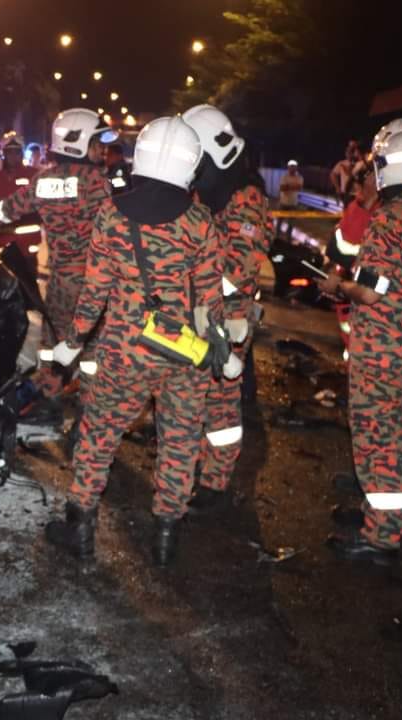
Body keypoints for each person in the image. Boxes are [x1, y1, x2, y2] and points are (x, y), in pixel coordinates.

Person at [44, 116, 240, 565]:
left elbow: (94, 293)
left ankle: (80, 528)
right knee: (180, 443)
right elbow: (210, 300)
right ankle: (166, 538)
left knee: (98, 435)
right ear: (191, 164)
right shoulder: (200, 221)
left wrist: (72, 343)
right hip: (185, 353)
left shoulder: (112, 214)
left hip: (124, 352)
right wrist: (224, 353)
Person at [317, 124, 402, 564]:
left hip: (381, 348)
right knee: (396, 434)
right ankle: (378, 515)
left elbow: (371, 290)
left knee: (378, 440)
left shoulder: (390, 218)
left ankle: (381, 536)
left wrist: (338, 286)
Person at [0, 108, 114, 405]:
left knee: (52, 342)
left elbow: (5, 210)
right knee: (91, 346)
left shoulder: (43, 180)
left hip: (58, 283)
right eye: (96, 144)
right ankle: (89, 405)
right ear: (79, 143)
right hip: (93, 285)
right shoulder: (97, 182)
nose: (102, 150)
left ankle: (45, 397)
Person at [180, 104, 271, 512]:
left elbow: (240, 268)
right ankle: (198, 464)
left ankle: (216, 482)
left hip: (228, 316)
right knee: (198, 395)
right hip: (202, 310)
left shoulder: (246, 199)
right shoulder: (209, 193)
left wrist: (193, 290)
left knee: (220, 401)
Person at [0, 132, 41, 269]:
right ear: (3, 154)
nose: (13, 156)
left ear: (21, 154)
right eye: (9, 152)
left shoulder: (33, 175)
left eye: (16, 152)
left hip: (27, 242)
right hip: (3, 241)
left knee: (28, 279)